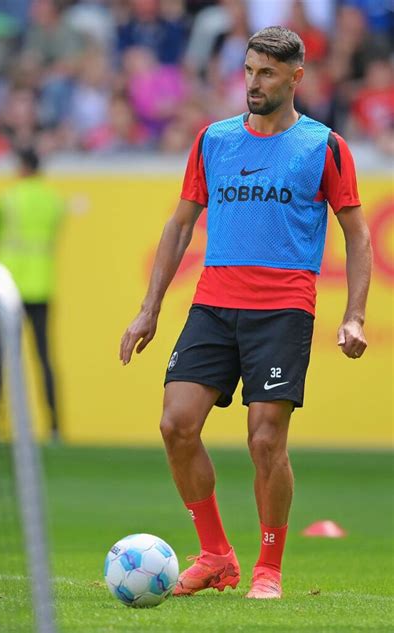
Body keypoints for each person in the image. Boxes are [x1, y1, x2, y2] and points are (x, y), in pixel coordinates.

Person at [120, 26, 372, 600]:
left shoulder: (325, 146)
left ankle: (268, 569)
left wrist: (354, 315)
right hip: (213, 302)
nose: (253, 83)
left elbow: (358, 236)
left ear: (295, 78)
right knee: (175, 425)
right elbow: (181, 223)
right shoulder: (214, 140)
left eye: (267, 73)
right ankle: (215, 555)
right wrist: (148, 309)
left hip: (282, 308)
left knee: (265, 441)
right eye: (249, 71)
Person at [0, 147, 66, 437]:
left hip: (8, 287)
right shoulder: (53, 201)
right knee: (44, 358)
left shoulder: (5, 199)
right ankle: (55, 425)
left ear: (20, 167)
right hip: (41, 285)